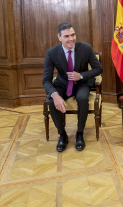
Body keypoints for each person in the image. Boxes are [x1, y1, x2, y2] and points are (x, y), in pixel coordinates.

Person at [42, 22, 103, 152]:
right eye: (66, 36)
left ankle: (79, 133)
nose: (71, 39)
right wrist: (55, 94)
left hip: (82, 83)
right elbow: (46, 80)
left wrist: (80, 75)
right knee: (52, 101)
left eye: (73, 35)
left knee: (82, 99)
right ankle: (62, 135)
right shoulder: (52, 52)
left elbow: (98, 69)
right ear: (59, 37)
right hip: (63, 83)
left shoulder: (86, 48)